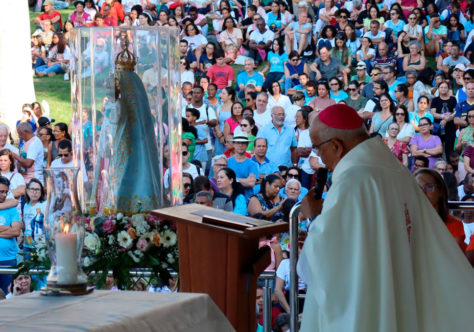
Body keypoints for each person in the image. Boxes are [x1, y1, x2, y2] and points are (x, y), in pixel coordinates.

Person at [297, 103, 474, 332]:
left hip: (370, 302)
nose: (319, 157)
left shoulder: (352, 181)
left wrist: (313, 218)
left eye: (318, 148)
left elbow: (329, 261)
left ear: (336, 146)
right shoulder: (398, 173)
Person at [415, 168, 466, 251]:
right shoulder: (406, 224)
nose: (422, 192)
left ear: (440, 191)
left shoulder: (454, 224)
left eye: (428, 187)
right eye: (417, 188)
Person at [0, 176, 21, 296]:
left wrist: (11, 230)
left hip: (8, 259)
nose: (4, 195)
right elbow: (11, 230)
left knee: (9, 294)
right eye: (1, 192)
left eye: (5, 192)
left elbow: (16, 232)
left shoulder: (11, 208)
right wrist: (7, 228)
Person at [227, 133, 258, 198]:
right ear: (234, 144)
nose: (240, 145)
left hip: (248, 200)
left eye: (243, 143)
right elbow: (225, 182)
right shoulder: (227, 162)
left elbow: (251, 183)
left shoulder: (252, 164)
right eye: (238, 143)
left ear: (247, 145)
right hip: (230, 199)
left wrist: (233, 180)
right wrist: (245, 180)